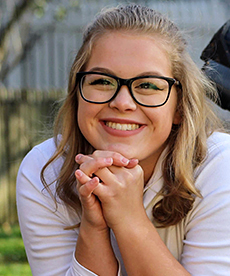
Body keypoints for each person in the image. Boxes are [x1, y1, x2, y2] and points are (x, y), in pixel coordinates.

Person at [16, 4, 230, 276]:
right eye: (102, 81)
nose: (122, 102)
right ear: (77, 94)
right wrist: (94, 230)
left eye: (148, 85)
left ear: (178, 107)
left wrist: (130, 219)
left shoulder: (220, 166)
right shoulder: (44, 170)